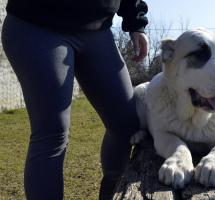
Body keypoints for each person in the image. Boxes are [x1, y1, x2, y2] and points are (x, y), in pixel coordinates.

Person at [1, 0, 148, 199]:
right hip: (36, 23)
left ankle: (110, 193)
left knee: (127, 124)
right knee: (52, 133)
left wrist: (136, 22)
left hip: (98, 30)